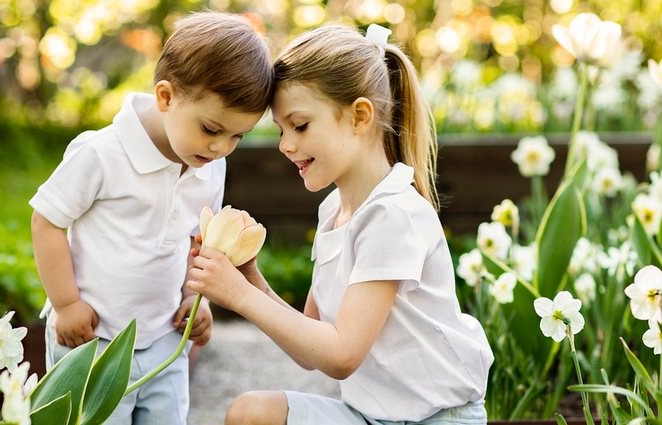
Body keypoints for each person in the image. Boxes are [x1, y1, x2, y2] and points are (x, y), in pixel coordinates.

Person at [186, 23, 493, 425]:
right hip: (368, 416)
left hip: (436, 419)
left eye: (300, 125)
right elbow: (309, 341)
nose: (285, 144)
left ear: (359, 117)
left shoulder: (392, 214)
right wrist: (250, 281)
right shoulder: (333, 211)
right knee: (251, 413)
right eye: (281, 130)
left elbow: (341, 355)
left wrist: (240, 297)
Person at [29, 11, 273, 425]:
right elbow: (47, 220)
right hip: (94, 344)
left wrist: (196, 298)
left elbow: (200, 240)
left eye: (237, 135)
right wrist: (66, 303)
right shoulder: (102, 154)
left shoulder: (208, 166)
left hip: (164, 340)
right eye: (211, 129)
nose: (221, 148)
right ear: (165, 97)